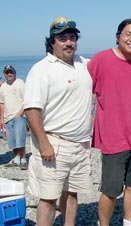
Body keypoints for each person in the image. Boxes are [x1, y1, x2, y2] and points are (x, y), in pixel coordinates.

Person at [87, 18, 131, 226]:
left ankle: (129, 222)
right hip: (113, 136)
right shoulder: (101, 59)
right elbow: (85, 90)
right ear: (118, 35)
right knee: (110, 190)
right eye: (128, 34)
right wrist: (89, 117)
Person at [23, 17, 93, 226]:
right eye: (63, 38)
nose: (69, 42)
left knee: (72, 194)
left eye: (72, 37)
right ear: (52, 42)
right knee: (48, 198)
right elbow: (32, 109)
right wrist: (44, 143)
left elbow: (112, 71)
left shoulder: (85, 64)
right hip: (54, 144)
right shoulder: (41, 69)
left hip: (81, 145)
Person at [0, 65, 27, 169]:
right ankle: (16, 159)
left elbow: (26, 99)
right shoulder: (3, 87)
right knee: (12, 141)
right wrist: (2, 118)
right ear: (4, 74)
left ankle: (23, 160)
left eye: (11, 72)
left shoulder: (20, 83)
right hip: (7, 117)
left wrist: (20, 113)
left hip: (19, 116)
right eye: (7, 72)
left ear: (14, 73)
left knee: (20, 139)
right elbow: (1, 103)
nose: (9, 74)